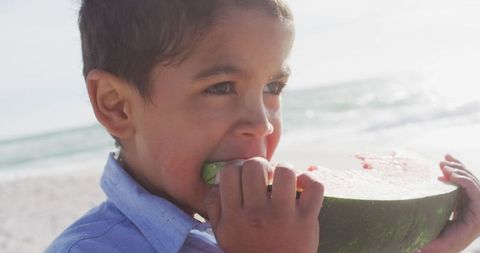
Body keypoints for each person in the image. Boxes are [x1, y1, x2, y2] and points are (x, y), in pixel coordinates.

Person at [46, 0, 479, 252]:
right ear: (117, 106)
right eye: (220, 88)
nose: (261, 124)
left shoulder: (275, 229)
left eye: (274, 86)